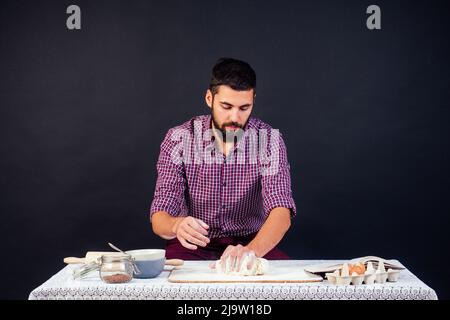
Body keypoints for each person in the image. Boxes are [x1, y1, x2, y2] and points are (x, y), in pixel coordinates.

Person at [150, 58, 297, 272]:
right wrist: (175, 225)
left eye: (244, 107)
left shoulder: (269, 140)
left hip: (250, 243)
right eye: (226, 106)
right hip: (192, 245)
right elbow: (160, 214)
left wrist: (251, 251)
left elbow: (281, 211)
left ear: (253, 100)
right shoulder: (179, 138)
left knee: (289, 285)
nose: (234, 117)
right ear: (209, 98)